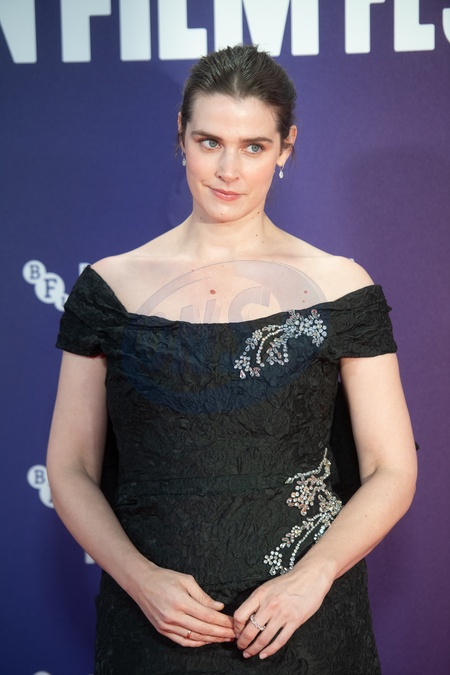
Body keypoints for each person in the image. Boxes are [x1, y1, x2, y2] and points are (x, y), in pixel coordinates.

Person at [47, 44, 417, 674]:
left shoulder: (341, 286)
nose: (228, 170)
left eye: (253, 146)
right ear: (181, 137)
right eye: (210, 141)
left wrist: (313, 577)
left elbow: (392, 468)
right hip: (156, 628)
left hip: (305, 626)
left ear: (286, 147)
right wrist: (140, 580)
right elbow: (70, 466)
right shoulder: (110, 288)